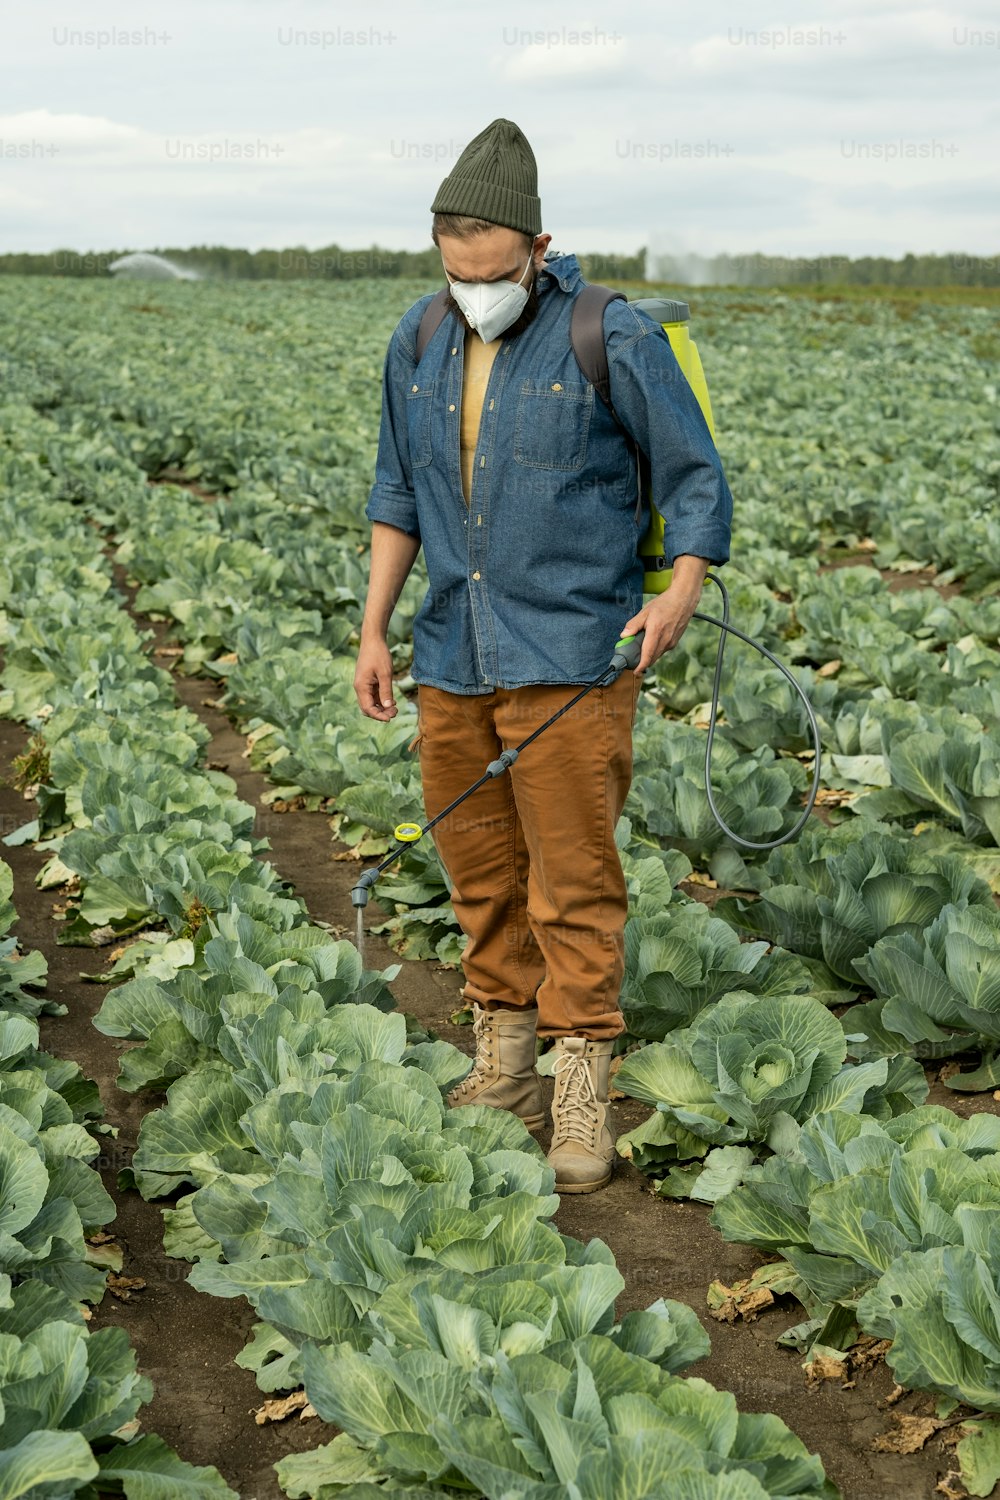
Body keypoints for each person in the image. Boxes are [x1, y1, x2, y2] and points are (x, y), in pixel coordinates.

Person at [355, 118, 733, 1193]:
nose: (477, 290)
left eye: (494, 270)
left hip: (572, 657)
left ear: (537, 245)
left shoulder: (607, 335)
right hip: (452, 655)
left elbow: (692, 476)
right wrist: (374, 627)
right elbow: (396, 492)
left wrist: (680, 591)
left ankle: (579, 1090)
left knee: (570, 882)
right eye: (456, 269)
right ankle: (507, 1065)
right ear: (439, 251)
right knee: (479, 876)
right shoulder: (420, 338)